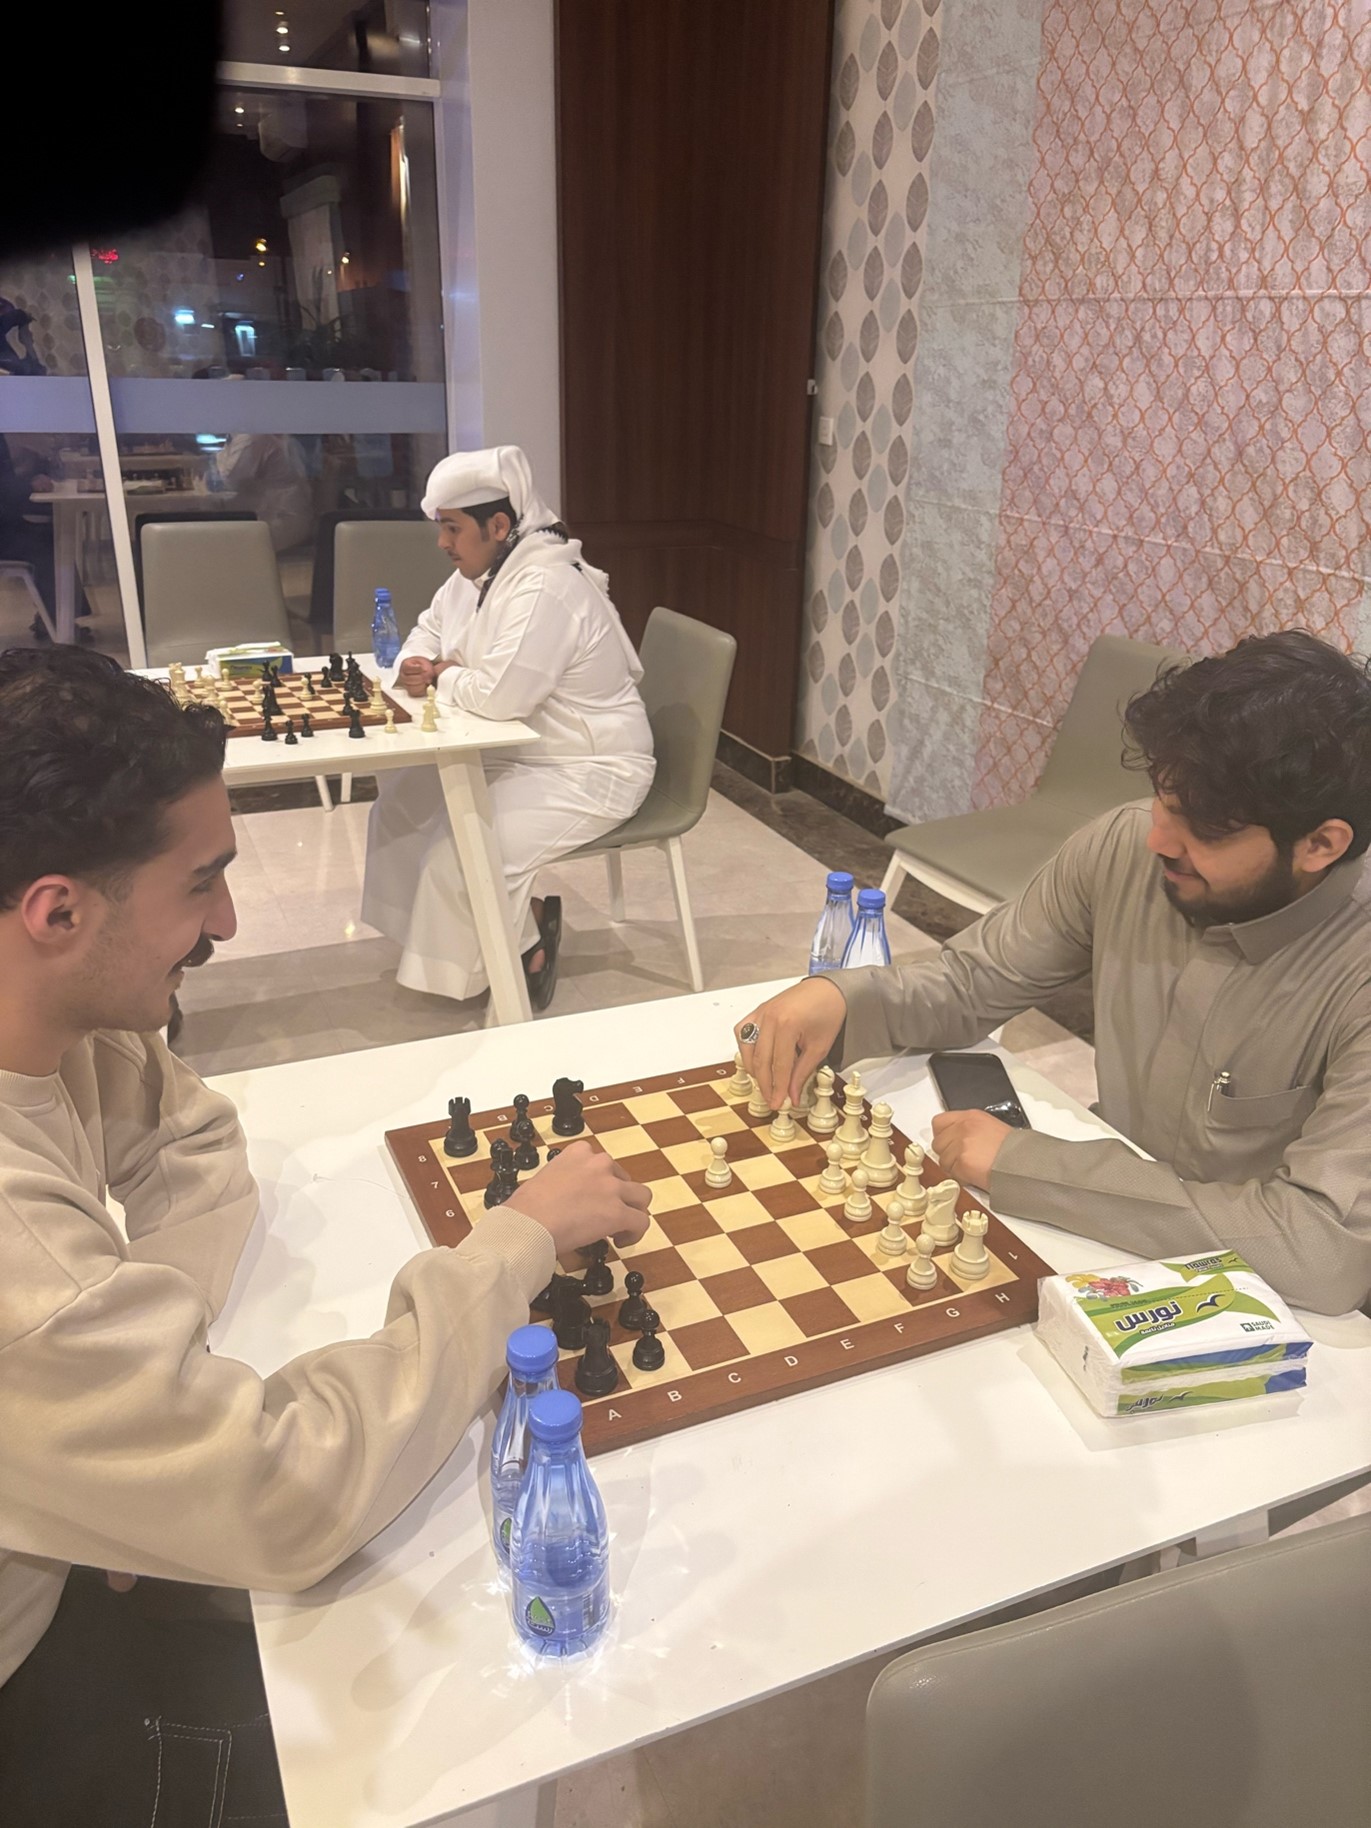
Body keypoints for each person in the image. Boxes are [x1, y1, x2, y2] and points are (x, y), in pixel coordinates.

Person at [0, 647, 651, 1823]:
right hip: (32, 1688)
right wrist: (512, 1243)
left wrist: (137, 1403)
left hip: (79, 1570)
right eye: (201, 884)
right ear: (58, 911)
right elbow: (287, 1492)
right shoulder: (28, 1281)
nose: (229, 921)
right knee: (459, 1745)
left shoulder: (58, 1018)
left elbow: (190, 1141)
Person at [737, 632, 1371, 1316]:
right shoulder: (1123, 848)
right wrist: (840, 996)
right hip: (1095, 1236)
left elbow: (1321, 1250)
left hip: (1267, 1312)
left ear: (1320, 844)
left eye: (1207, 828)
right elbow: (975, 981)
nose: (1158, 838)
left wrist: (1030, 1166)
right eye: (1163, 799)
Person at [362, 445, 655, 1009]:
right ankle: (512, 936)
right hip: (523, 751)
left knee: (462, 851)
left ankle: (510, 958)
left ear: (499, 526)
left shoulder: (545, 585)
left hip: (591, 767)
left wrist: (442, 675)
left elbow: (500, 698)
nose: (442, 542)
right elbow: (428, 627)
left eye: (452, 528)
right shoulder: (479, 573)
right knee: (400, 806)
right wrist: (421, 659)